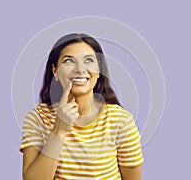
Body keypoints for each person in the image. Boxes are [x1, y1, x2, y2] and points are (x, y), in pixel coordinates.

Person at [19, 33, 144, 180]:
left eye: (88, 60)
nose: (80, 69)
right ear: (55, 71)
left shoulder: (121, 121)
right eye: (69, 61)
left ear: (99, 71)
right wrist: (59, 131)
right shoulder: (38, 118)